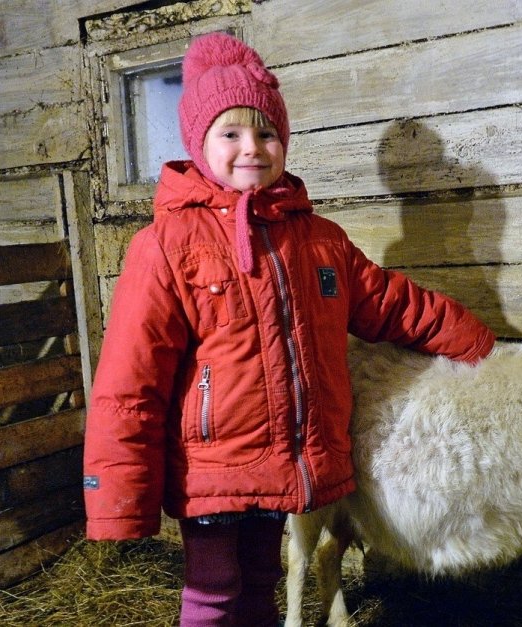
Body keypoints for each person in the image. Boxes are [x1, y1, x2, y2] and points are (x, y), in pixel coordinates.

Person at [82, 32, 494, 626]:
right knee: (214, 590)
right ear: (197, 144)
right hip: (213, 467)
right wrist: (119, 501)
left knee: (262, 583)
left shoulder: (320, 242)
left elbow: (395, 305)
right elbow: (129, 381)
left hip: (284, 461)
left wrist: (481, 345)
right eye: (231, 133)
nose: (252, 147)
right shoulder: (168, 247)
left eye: (267, 133)